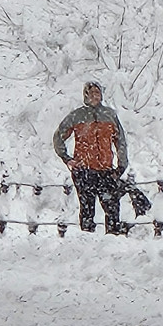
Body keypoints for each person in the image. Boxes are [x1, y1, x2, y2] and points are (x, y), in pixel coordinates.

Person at [53, 81, 129, 235]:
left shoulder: (110, 115)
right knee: (87, 209)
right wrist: (67, 159)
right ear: (85, 95)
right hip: (84, 170)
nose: (95, 96)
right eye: (92, 93)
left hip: (106, 170)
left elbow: (120, 140)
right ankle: (87, 240)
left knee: (112, 207)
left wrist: (122, 165)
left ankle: (113, 240)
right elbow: (58, 137)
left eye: (97, 92)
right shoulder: (77, 116)